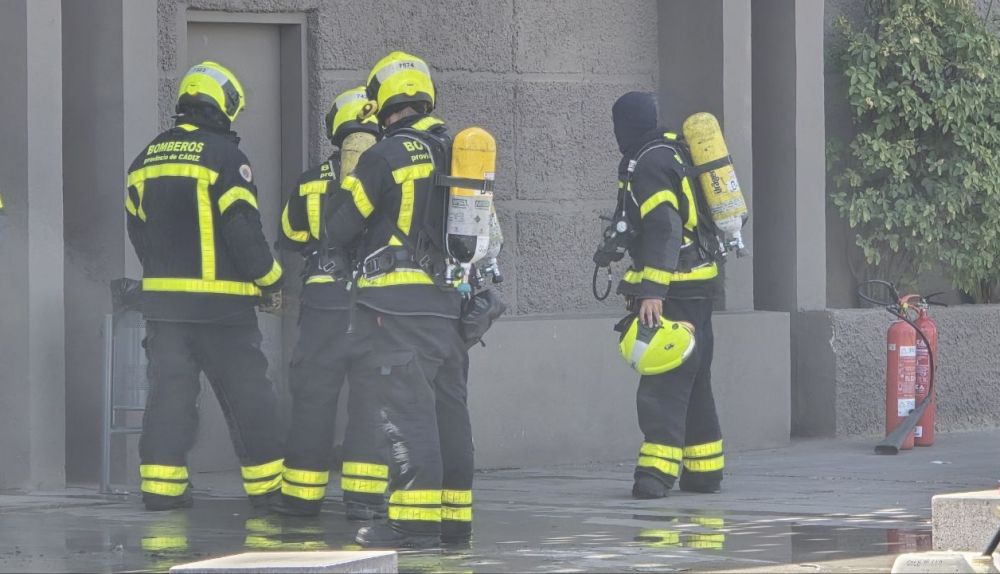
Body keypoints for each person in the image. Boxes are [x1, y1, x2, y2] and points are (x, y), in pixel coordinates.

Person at [324, 51, 473, 548]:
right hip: (449, 307)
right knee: (450, 411)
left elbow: (342, 225)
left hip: (394, 308)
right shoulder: (457, 151)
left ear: (383, 102)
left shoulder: (385, 156)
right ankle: (455, 520)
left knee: (407, 416)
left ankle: (411, 524)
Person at [125, 60, 285, 510]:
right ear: (223, 107)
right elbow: (242, 228)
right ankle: (269, 491)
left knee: (168, 398)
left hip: (163, 311)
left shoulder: (146, 158)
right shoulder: (225, 157)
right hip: (222, 311)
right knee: (249, 398)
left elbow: (137, 231)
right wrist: (271, 280)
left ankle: (161, 491)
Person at [271, 86, 389, 519]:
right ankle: (362, 501)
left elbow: (291, 236)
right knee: (370, 399)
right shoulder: (387, 173)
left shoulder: (310, 181)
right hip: (373, 305)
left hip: (322, 306)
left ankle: (301, 498)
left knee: (312, 401)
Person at [612, 91, 725, 499]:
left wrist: (652, 291)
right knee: (695, 381)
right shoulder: (673, 152)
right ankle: (705, 470)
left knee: (663, 379)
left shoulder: (648, 163)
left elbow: (664, 227)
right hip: (700, 282)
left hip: (674, 288)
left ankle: (655, 475)